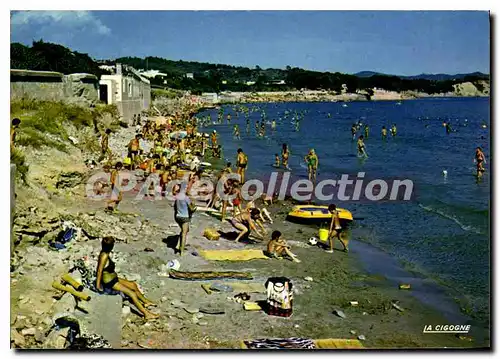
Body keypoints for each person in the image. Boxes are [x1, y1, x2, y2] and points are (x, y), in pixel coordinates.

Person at [96, 236, 159, 320]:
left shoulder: (105, 253)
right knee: (131, 294)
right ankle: (146, 314)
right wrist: (98, 285)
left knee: (133, 285)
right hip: (110, 282)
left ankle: (145, 301)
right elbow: (99, 270)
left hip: (114, 278)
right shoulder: (104, 256)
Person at [173, 184, 195, 256]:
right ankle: (181, 251)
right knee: (184, 233)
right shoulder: (186, 198)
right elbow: (191, 209)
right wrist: (194, 206)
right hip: (185, 217)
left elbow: (175, 208)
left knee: (184, 230)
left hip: (178, 217)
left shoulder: (177, 197)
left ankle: (178, 245)